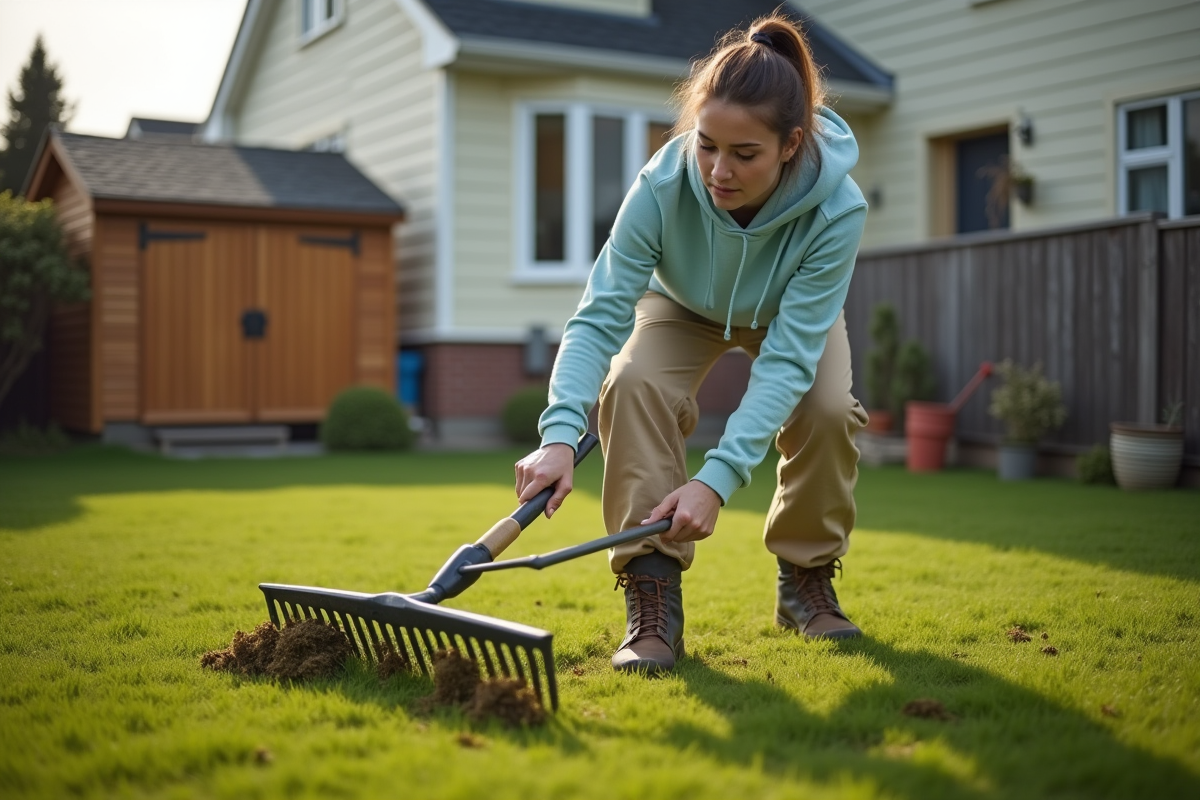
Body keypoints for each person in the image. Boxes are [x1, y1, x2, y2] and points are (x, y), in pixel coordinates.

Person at [514, 13, 869, 675]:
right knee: (632, 382)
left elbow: (790, 356)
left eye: (744, 154)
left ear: (791, 145)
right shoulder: (662, 184)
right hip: (682, 305)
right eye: (707, 145)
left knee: (824, 408)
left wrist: (716, 481)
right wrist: (560, 433)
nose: (718, 171)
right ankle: (652, 598)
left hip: (785, 317)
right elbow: (599, 317)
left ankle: (806, 579)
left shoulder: (837, 208)